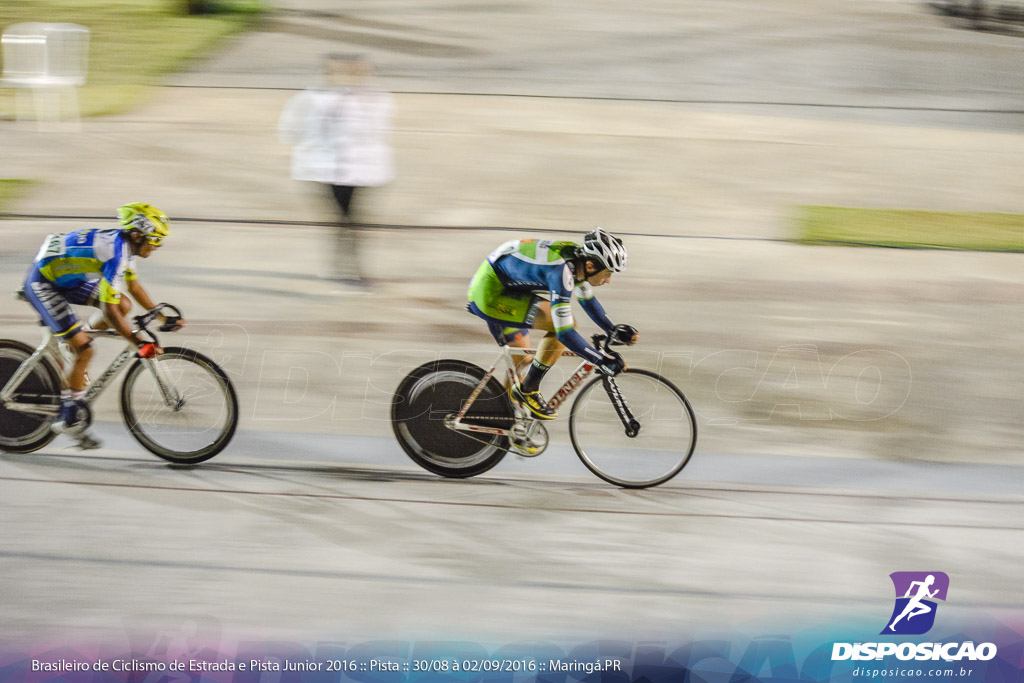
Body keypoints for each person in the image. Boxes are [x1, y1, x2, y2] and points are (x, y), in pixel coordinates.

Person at [22, 202, 184, 449]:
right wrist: (138, 341)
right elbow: (108, 310)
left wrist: (160, 315)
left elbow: (133, 287)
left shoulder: (125, 246)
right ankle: (68, 419)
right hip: (44, 283)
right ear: (138, 235)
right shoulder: (116, 254)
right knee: (86, 350)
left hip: (68, 278)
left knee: (123, 306)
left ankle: (76, 342)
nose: (157, 246)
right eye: (154, 239)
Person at [466, 227, 638, 420]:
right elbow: (564, 333)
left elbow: (587, 300)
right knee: (567, 326)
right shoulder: (561, 272)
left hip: (503, 283)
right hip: (490, 295)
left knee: (523, 363)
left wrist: (611, 328)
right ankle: (529, 390)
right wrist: (601, 360)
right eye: (608, 273)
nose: (608, 280)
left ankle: (507, 422)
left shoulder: (577, 258)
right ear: (591, 266)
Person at [277, 53, 395, 291]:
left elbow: (377, 131)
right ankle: (354, 270)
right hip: (328, 171)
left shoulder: (377, 98)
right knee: (349, 220)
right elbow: (289, 130)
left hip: (362, 171)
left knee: (349, 220)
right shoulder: (311, 99)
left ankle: (343, 267)